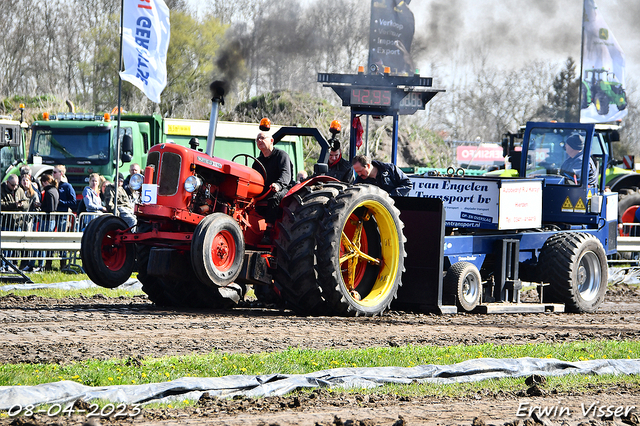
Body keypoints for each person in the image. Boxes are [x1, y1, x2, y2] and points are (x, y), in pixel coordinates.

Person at [252, 129, 293, 225]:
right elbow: (253, 175)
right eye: (257, 139)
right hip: (263, 190)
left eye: (262, 138)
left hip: (282, 188)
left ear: (271, 141)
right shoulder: (258, 161)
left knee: (274, 198)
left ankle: (269, 229)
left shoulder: (282, 156)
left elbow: (286, 174)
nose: (259, 141)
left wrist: (278, 185)